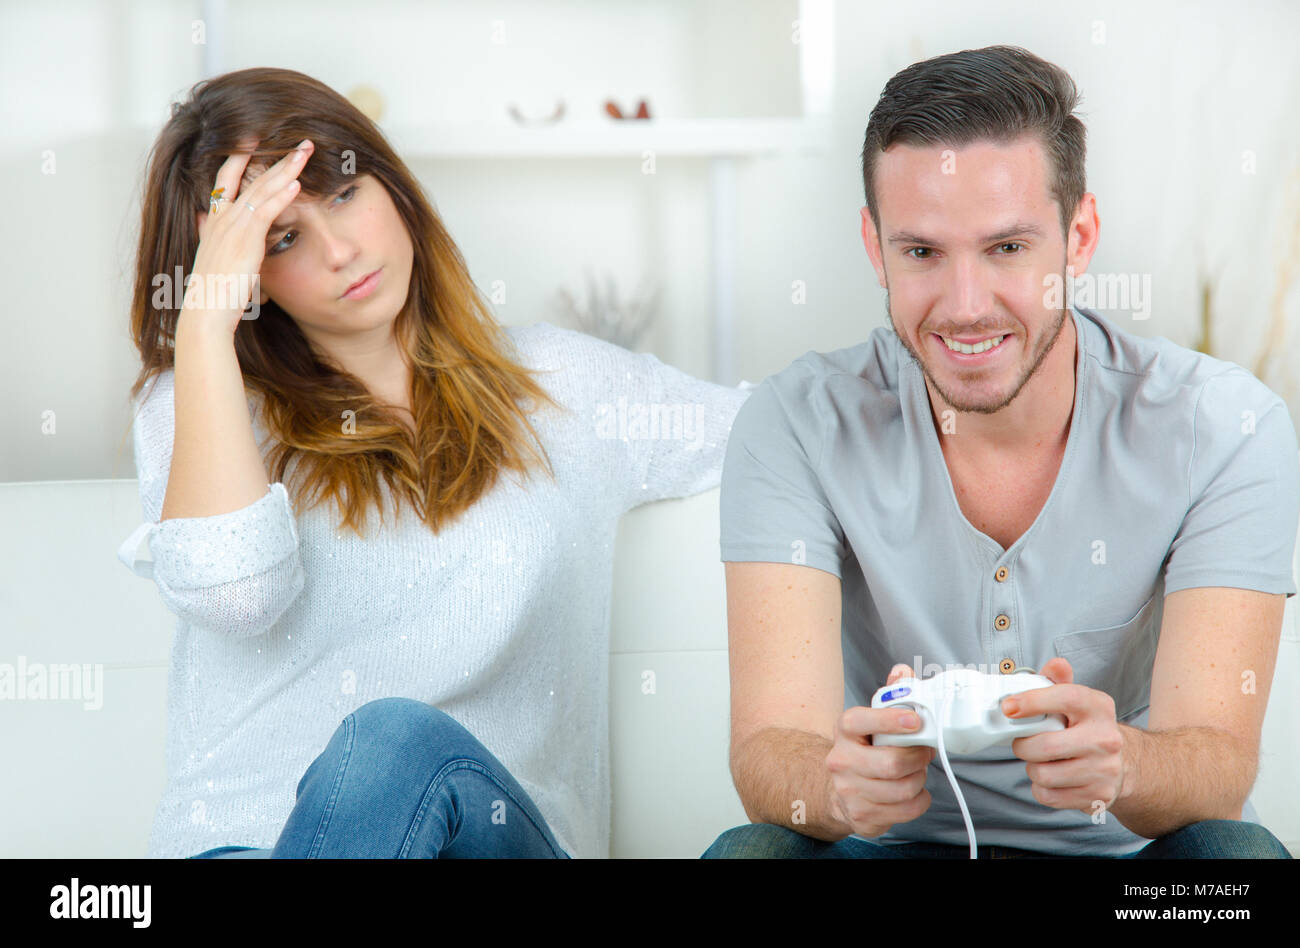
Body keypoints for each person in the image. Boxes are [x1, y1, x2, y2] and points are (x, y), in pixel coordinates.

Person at [115, 67, 749, 859]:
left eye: (343, 194)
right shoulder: (198, 401)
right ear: (248, 281)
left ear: (390, 182)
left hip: (491, 841)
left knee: (393, 741)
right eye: (282, 238)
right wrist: (206, 326)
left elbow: (785, 428)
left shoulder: (567, 386)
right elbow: (239, 595)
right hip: (243, 848)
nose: (341, 251)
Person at [705, 45, 1297, 859]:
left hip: (1126, 869)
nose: (966, 306)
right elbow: (771, 749)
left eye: (1008, 248)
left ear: (1078, 237)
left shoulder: (1224, 426)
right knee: (752, 852)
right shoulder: (797, 422)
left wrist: (1124, 767)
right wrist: (838, 785)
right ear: (876, 249)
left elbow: (1218, 762)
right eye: (922, 253)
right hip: (883, 851)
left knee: (1237, 863)